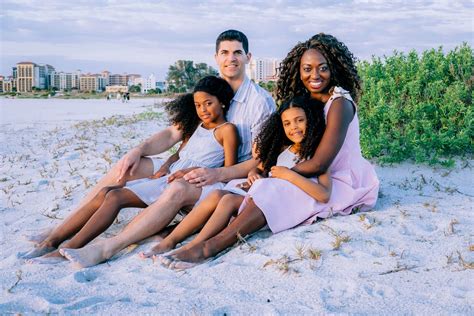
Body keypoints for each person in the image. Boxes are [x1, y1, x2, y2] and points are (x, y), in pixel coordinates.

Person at [30, 30, 275, 268]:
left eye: (237, 52)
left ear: (247, 57)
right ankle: (60, 231)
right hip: (187, 164)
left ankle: (109, 246)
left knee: (178, 186)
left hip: (222, 176)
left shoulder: (259, 102)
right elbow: (173, 134)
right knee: (128, 166)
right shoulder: (208, 90)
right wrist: (138, 150)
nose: (230, 58)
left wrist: (217, 174)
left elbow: (260, 159)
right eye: (224, 52)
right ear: (216, 57)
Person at [162, 33, 380, 269]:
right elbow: (288, 145)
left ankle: (210, 247)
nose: (314, 75)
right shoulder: (306, 98)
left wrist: (273, 175)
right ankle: (187, 236)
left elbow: (319, 164)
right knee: (238, 188)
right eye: (307, 68)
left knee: (271, 188)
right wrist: (260, 169)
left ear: (334, 68)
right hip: (305, 169)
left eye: (322, 68)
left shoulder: (340, 103)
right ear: (298, 70)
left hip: (338, 179)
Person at [21, 76, 239, 263]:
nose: (203, 110)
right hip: (169, 177)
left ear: (222, 103)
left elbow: (227, 169)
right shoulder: (197, 126)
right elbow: (180, 153)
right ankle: (54, 240)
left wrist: (189, 170)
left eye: (208, 103)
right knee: (110, 192)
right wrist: (164, 166)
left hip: (194, 183)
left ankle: (70, 248)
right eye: (198, 105)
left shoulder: (226, 130)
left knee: (116, 198)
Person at [139, 96, 332, 262]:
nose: (293, 128)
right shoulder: (282, 149)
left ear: (312, 121)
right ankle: (175, 242)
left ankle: (196, 247)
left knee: (228, 199)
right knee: (218, 195)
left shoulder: (317, 157)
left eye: (299, 120)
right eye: (287, 123)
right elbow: (260, 169)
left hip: (275, 206)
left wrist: (289, 175)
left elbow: (323, 195)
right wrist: (253, 175)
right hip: (259, 196)